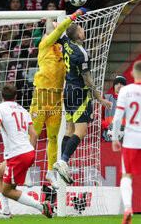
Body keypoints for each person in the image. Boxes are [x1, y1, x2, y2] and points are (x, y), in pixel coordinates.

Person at [30, 8, 87, 189]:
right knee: (34, 135)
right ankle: (25, 171)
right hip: (41, 95)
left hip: (56, 98)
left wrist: (51, 20)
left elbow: (61, 31)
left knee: (54, 137)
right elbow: (58, 28)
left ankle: (50, 173)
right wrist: (73, 15)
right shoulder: (45, 44)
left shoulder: (63, 50)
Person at [52, 11, 112, 184]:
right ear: (78, 34)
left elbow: (56, 29)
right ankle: (63, 160)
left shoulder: (65, 42)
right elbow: (88, 80)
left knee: (69, 130)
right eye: (81, 27)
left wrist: (50, 20)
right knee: (81, 132)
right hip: (79, 92)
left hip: (67, 90)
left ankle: (63, 163)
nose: (83, 29)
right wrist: (100, 99)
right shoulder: (82, 53)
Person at [0, 83, 52, 219]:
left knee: (7, 190)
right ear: (15, 96)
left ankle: (42, 206)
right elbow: (34, 134)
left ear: (1, 96)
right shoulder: (23, 110)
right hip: (26, 152)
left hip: (17, 155)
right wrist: (30, 153)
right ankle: (5, 212)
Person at [111, 60, 141, 224]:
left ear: (132, 74)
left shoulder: (126, 91)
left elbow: (117, 118)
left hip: (130, 139)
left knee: (126, 176)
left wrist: (115, 138)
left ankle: (128, 207)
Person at [102, 74, 127, 142]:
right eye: (117, 84)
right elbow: (97, 118)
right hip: (108, 138)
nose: (119, 86)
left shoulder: (130, 101)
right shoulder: (106, 99)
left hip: (126, 139)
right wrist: (108, 125)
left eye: (121, 84)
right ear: (113, 86)